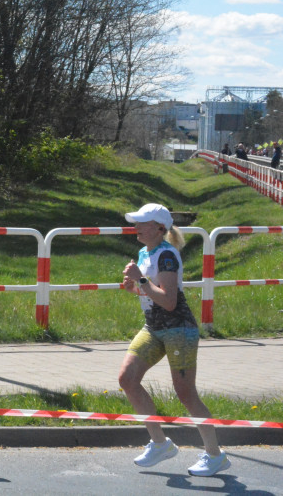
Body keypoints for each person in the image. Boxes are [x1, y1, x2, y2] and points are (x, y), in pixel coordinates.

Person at [118, 203, 228, 477]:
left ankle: (215, 455)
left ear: (160, 228)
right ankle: (160, 444)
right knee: (127, 379)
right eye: (136, 223)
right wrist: (134, 287)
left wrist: (140, 280)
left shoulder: (167, 255)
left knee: (186, 394)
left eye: (143, 223)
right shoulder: (145, 252)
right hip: (154, 328)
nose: (137, 228)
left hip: (178, 329)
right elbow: (150, 292)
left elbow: (168, 301)